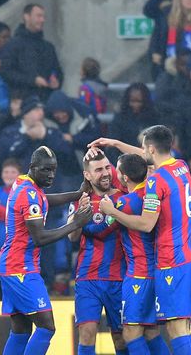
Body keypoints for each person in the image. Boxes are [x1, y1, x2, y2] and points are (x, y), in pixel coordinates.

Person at [89, 125, 191, 354]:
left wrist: (112, 212)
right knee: (176, 327)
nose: (142, 152)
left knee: (176, 328)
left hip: (171, 259)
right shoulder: (181, 167)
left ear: (150, 148)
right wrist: (116, 144)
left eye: (143, 148)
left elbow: (147, 223)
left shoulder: (155, 181)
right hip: (189, 256)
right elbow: (145, 159)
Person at [0, 146, 92, 355]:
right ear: (32, 167)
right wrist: (75, 223)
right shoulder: (29, 193)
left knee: (21, 330)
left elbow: (43, 200)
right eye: (45, 170)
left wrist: (76, 195)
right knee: (47, 326)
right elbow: (39, 238)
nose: (50, 175)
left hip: (12, 263)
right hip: (19, 267)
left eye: (53, 170)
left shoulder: (24, 183)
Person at [98, 153, 170, 354]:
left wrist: (106, 211)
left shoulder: (123, 204)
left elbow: (101, 229)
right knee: (150, 332)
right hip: (155, 269)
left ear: (124, 177)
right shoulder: (151, 195)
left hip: (139, 272)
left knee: (130, 332)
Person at [67, 151, 126, 355]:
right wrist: (78, 215)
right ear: (88, 175)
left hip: (119, 277)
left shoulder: (123, 196)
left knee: (121, 339)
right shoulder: (80, 200)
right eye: (98, 170)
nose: (105, 173)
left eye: (107, 167)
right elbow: (72, 237)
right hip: (87, 277)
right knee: (87, 332)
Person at [0, 4, 63, 101]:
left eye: (43, 17)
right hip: (23, 103)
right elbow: (6, 73)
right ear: (26, 17)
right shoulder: (12, 45)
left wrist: (56, 80)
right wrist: (33, 80)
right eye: (38, 16)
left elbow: (57, 70)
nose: (42, 20)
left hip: (47, 102)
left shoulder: (48, 47)